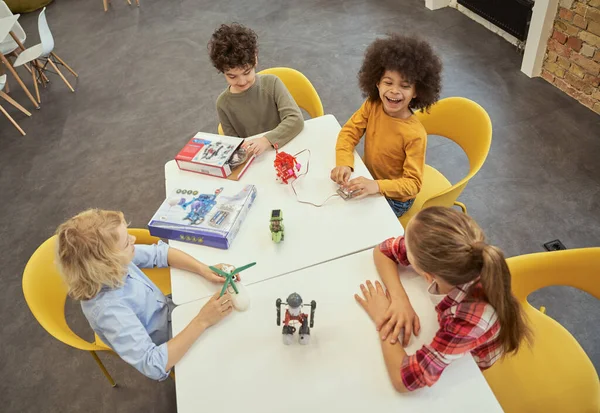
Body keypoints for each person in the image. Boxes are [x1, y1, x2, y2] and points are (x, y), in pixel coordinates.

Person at [355, 207, 531, 391]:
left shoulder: (469, 319)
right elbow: (383, 250)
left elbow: (403, 379)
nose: (402, 243)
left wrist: (382, 318)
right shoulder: (454, 255)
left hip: (473, 360)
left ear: (428, 276)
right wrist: (399, 299)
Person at [56, 209, 235, 380]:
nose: (134, 238)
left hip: (170, 312)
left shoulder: (112, 264)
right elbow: (153, 365)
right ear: (108, 263)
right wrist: (202, 321)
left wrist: (204, 269)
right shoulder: (109, 312)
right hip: (170, 345)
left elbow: (161, 253)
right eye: (127, 242)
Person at [331, 34, 442, 217]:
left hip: (396, 199)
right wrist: (344, 163)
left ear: (417, 92)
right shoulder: (372, 105)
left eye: (405, 86)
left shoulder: (414, 134)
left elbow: (412, 184)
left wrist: (376, 186)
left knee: (351, 218)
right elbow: (349, 132)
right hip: (369, 178)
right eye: (388, 82)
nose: (394, 91)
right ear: (377, 83)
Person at [208, 23, 304, 156]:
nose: (242, 82)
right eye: (232, 76)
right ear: (222, 71)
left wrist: (266, 141)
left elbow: (295, 120)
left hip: (288, 148)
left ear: (255, 59)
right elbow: (233, 145)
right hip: (257, 159)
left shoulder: (272, 84)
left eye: (247, 72)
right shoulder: (223, 104)